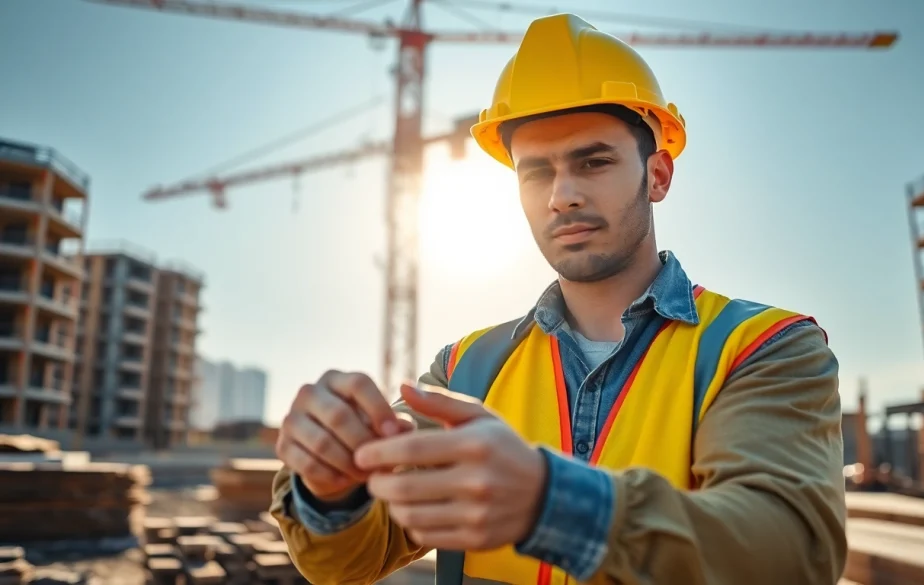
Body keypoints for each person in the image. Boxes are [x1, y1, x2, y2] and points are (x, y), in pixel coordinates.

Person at [269, 12, 846, 585]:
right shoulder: (464, 370)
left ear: (659, 176)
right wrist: (331, 489)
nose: (562, 196)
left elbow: (791, 551)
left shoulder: (763, 349)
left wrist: (554, 504)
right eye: (536, 172)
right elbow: (344, 562)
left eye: (593, 162)